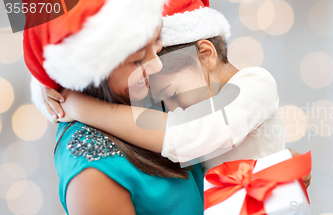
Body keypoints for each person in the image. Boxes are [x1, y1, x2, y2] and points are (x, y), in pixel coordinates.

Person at [43, 0, 297, 174]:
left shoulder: (256, 84)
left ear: (205, 55)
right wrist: (54, 80)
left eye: (172, 95)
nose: (171, 112)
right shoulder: (201, 101)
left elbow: (186, 136)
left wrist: (84, 109)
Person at [24, 0, 205, 214]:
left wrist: (83, 107)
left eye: (157, 40)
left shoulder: (144, 87)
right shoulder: (92, 173)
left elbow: (194, 133)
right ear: (89, 71)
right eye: (137, 60)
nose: (157, 64)